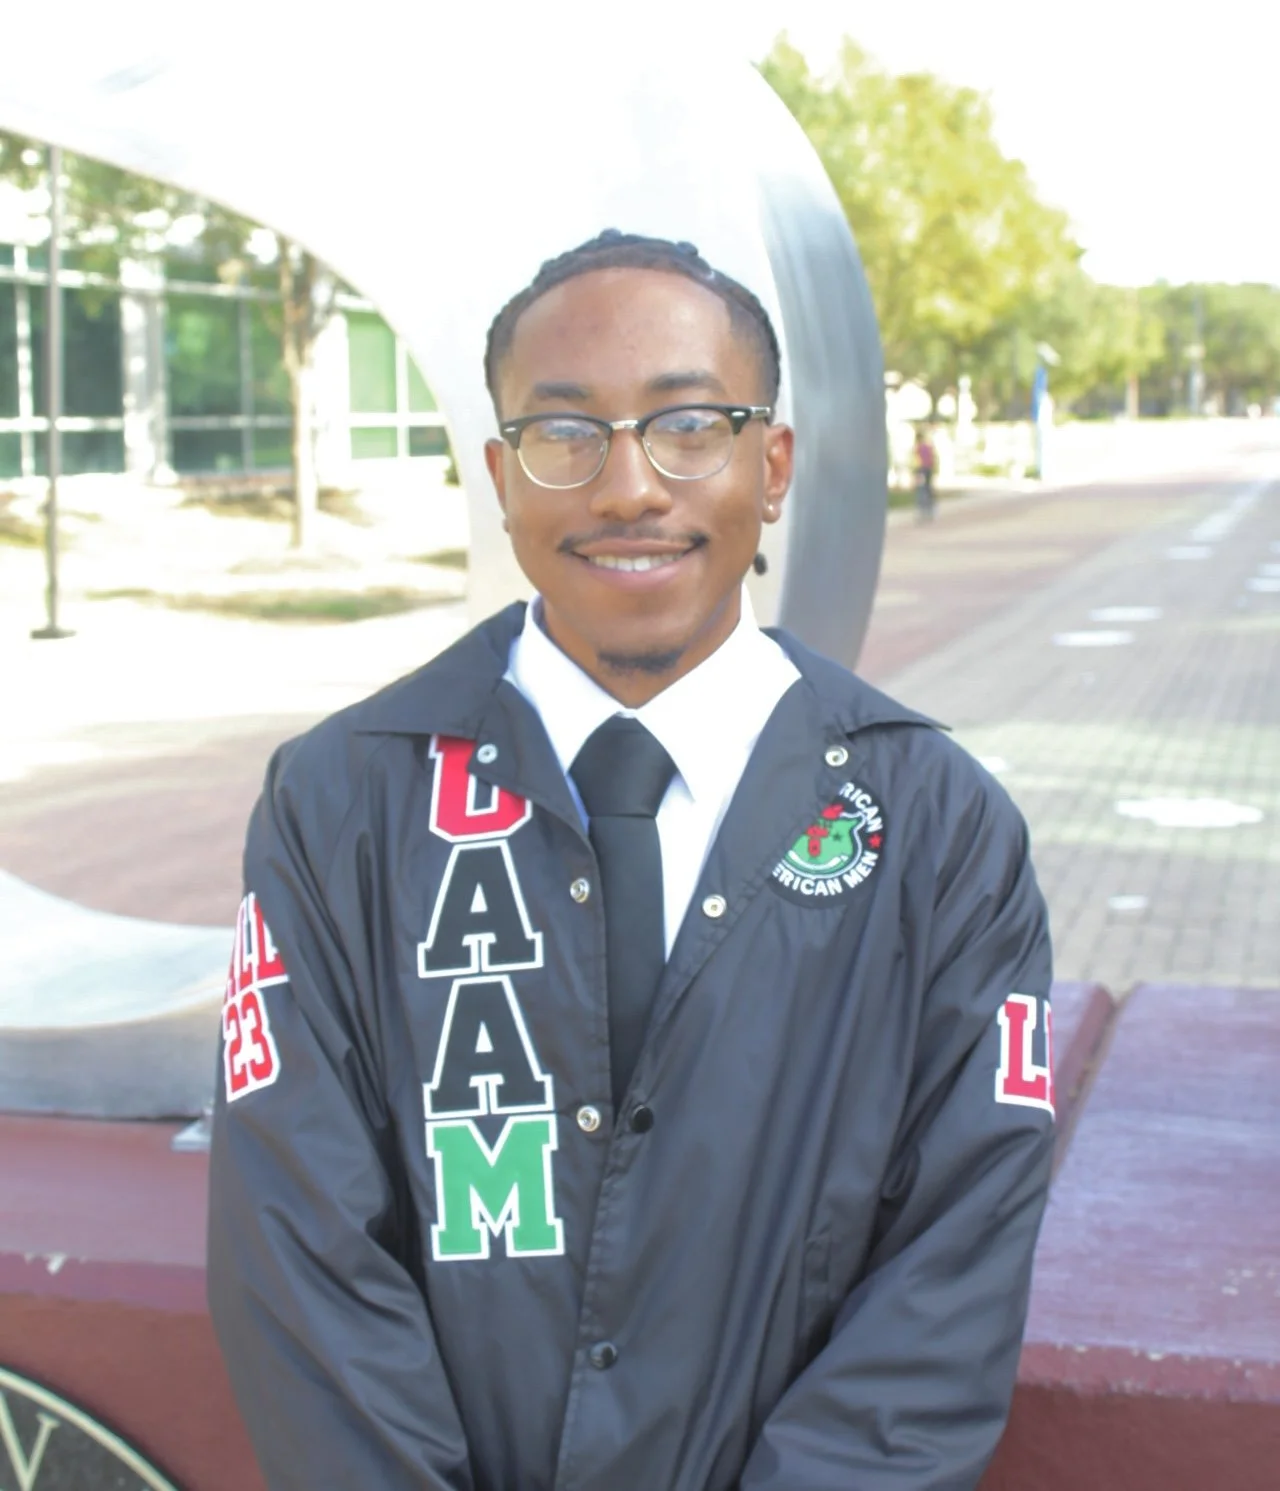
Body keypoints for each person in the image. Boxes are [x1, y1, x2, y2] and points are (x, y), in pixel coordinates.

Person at [208, 230, 1056, 1491]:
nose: (627, 490)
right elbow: (299, 1250)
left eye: (688, 427)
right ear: (499, 476)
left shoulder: (935, 827)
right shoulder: (345, 803)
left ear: (769, 467)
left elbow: (952, 1264)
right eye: (564, 436)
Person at [913, 426, 937, 519]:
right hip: (927, 469)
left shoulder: (919, 447)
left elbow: (917, 459)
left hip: (922, 469)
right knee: (927, 487)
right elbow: (932, 458)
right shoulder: (927, 446)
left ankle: (924, 506)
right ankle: (929, 506)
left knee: (922, 488)